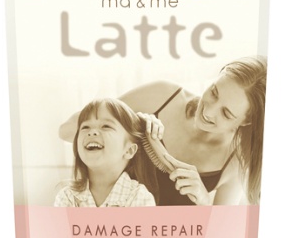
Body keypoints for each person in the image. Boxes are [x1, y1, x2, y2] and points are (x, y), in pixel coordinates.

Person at [59, 56, 267, 206]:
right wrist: (131, 123)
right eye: (214, 92)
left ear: (246, 121)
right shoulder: (161, 96)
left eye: (226, 113)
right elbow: (66, 131)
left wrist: (204, 199)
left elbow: (221, 236)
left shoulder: (235, 162)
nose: (209, 111)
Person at [54, 98, 156, 207]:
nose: (92, 132)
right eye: (85, 127)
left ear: (129, 150)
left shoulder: (139, 196)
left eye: (106, 126)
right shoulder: (67, 196)